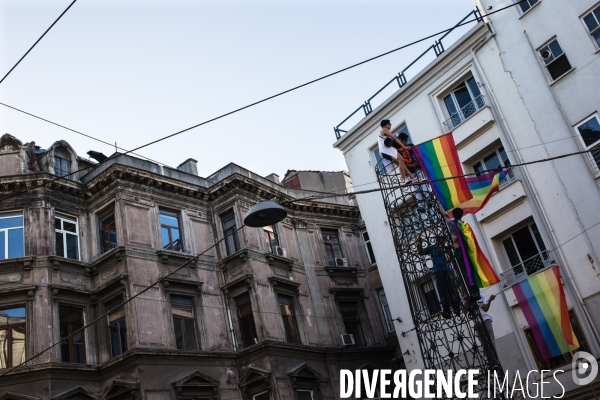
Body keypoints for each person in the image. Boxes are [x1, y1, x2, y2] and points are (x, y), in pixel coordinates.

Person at [418, 235, 460, 319]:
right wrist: (419, 243)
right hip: (438, 271)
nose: (442, 241)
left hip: (447, 269)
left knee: (451, 289)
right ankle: (446, 310)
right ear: (436, 241)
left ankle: (456, 308)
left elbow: (452, 256)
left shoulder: (445, 248)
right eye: (440, 240)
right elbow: (421, 252)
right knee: (441, 291)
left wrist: (449, 253)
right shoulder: (432, 248)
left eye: (443, 240)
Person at [451, 207, 480, 300]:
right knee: (472, 270)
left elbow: (444, 216)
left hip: (460, 251)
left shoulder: (452, 224)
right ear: (462, 214)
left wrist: (438, 204)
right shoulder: (465, 224)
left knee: (464, 272)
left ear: (453, 215)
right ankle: (476, 292)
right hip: (469, 251)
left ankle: (471, 292)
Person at [463, 293, 496, 359]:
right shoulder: (464, 299)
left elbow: (485, 309)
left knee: (491, 340)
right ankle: (490, 359)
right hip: (477, 322)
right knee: (483, 342)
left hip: (486, 319)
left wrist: (489, 300)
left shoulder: (480, 295)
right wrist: (466, 299)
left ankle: (494, 358)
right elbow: (464, 311)